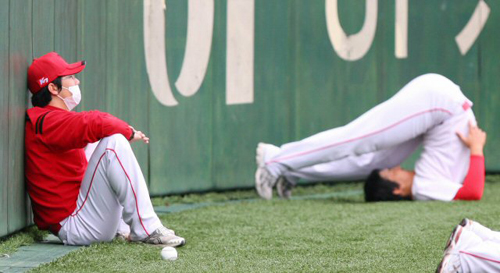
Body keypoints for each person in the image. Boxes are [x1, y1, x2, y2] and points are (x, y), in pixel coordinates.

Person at [25, 52, 185, 246]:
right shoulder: (46, 120)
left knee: (100, 142)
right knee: (114, 143)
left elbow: (94, 128)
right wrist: (128, 132)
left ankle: (123, 228)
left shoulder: (48, 119)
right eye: (70, 77)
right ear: (53, 88)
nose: (77, 82)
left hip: (80, 216)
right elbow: (95, 121)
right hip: (76, 225)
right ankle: (147, 229)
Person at [255, 74, 486, 202]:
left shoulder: (424, 184)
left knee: (369, 162)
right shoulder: (427, 188)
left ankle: (292, 171)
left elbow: (467, 188)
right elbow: (472, 192)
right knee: (356, 139)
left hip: (442, 117)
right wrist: (476, 150)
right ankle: (274, 160)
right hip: (441, 104)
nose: (394, 169)